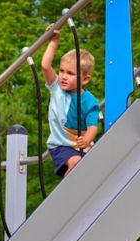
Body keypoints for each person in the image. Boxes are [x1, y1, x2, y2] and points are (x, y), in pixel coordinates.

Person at [41, 25, 100, 177]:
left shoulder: (90, 101)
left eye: (70, 73)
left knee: (94, 168)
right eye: (62, 71)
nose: (63, 76)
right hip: (60, 145)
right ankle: (67, 195)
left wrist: (87, 140)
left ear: (85, 79)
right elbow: (45, 66)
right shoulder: (57, 89)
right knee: (75, 163)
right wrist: (54, 42)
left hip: (83, 146)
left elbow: (92, 126)